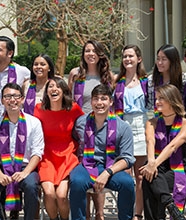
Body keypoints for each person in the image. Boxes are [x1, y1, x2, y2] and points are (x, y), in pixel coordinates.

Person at [70, 84, 136, 220]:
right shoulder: (80, 123)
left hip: (111, 167)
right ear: (91, 102)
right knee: (76, 182)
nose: (99, 103)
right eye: (96, 99)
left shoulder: (123, 127)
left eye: (103, 99)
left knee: (128, 183)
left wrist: (108, 172)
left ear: (111, 102)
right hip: (86, 165)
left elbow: (127, 158)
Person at [0, 83, 44, 220]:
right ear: (2, 100)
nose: (12, 100)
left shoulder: (34, 123)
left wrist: (25, 172)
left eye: (16, 96)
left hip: (25, 167)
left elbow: (37, 152)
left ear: (22, 99)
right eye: (8, 96)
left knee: (31, 186)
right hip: (2, 167)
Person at [68, 39, 113, 219]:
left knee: (99, 167)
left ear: (100, 54)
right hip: (81, 127)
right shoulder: (75, 74)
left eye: (94, 51)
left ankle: (99, 213)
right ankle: (85, 213)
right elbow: (69, 101)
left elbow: (113, 102)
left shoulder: (108, 76)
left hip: (102, 126)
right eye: (87, 50)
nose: (90, 54)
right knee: (84, 169)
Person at [140, 84, 186, 220]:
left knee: (150, 178)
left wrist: (152, 165)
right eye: (157, 98)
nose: (157, 101)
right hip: (160, 167)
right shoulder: (152, 122)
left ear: (172, 100)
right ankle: (170, 205)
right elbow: (150, 141)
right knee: (150, 175)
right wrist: (151, 162)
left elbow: (172, 146)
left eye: (161, 98)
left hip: (179, 169)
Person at [34, 77, 84, 220]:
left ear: (63, 91)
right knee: (49, 193)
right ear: (46, 91)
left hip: (67, 155)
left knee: (61, 196)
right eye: (50, 86)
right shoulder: (38, 109)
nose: (54, 89)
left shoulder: (73, 108)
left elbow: (87, 124)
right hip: (46, 156)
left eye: (57, 87)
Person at [113, 44, 149, 220]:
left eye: (131, 56)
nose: (127, 59)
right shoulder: (116, 81)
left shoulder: (146, 82)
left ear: (138, 59)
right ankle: (125, 213)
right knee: (125, 176)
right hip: (122, 125)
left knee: (140, 176)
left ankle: (137, 214)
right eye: (125, 56)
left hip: (141, 125)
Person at [148, 44, 186, 114]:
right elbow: (150, 105)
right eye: (158, 59)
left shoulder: (184, 79)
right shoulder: (151, 80)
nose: (160, 62)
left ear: (172, 61)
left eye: (164, 59)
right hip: (158, 120)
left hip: (180, 120)